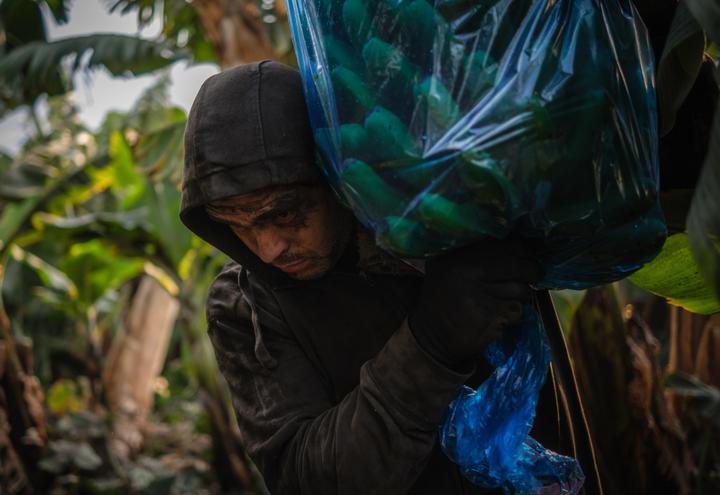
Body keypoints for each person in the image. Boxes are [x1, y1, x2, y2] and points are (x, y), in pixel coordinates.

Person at [179, 60, 562, 494]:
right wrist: (429, 345)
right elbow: (303, 478)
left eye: (285, 213)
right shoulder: (243, 303)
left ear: (335, 179)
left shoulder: (436, 226)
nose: (268, 249)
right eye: (237, 224)